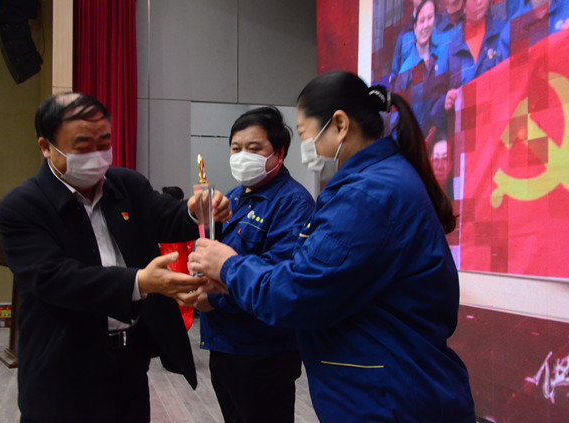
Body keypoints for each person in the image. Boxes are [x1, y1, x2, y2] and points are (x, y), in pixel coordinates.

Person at [189, 71, 476, 422]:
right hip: (382, 384)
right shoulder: (372, 183)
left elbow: (300, 291)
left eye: (306, 134)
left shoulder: (365, 195)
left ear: (339, 125)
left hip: (389, 395)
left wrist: (230, 267)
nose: (308, 148)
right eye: (236, 148)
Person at [0, 92, 231, 423]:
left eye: (104, 142)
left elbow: (166, 216)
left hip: (128, 362)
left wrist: (197, 212)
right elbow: (54, 277)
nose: (96, 154)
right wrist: (140, 282)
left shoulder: (125, 184)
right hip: (63, 371)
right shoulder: (21, 207)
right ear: (47, 147)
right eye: (82, 146)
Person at [196, 107, 315, 423]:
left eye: (254, 148)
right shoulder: (233, 198)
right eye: (236, 148)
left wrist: (214, 298)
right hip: (223, 343)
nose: (242, 156)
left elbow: (278, 276)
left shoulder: (293, 202)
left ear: (279, 153)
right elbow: (211, 253)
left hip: (263, 351)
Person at [394, 0, 450, 135]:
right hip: (416, 139)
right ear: (415, 26)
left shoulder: (442, 55)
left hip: (442, 136)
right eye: (421, 21)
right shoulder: (406, 70)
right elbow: (396, 117)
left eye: (430, 18)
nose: (426, 25)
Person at [159, 186, 197, 331]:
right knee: (183, 307)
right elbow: (190, 247)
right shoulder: (182, 220)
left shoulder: (159, 217)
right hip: (180, 265)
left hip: (161, 264)